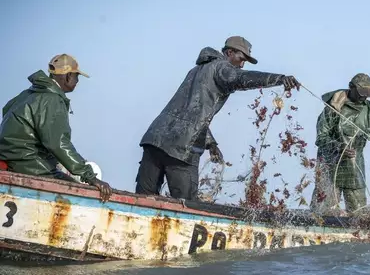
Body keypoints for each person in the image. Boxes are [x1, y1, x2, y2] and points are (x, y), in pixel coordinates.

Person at [136, 36, 300, 200]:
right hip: (181, 147)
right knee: (187, 208)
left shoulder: (196, 70)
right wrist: (279, 79)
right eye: (241, 59)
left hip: (155, 139)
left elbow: (190, 112)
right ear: (229, 52)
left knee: (141, 202)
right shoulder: (222, 67)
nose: (242, 65)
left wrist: (211, 143)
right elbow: (240, 78)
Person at [0, 54, 113, 202]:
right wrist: (91, 178)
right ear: (67, 76)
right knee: (78, 191)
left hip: (10, 157)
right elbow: (58, 143)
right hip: (28, 163)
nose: (77, 81)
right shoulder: (52, 99)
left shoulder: (28, 93)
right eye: (76, 76)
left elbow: (5, 110)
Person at [310, 73, 370, 214]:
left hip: (354, 168)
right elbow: (321, 138)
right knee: (321, 213)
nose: (363, 97)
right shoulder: (333, 106)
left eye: (367, 94)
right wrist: (339, 147)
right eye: (360, 93)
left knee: (359, 214)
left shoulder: (369, 109)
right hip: (330, 168)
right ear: (351, 87)